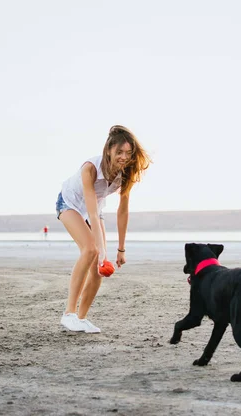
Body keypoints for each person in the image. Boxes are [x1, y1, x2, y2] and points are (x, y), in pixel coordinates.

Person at [56, 125, 151, 333]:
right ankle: (69, 314)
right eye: (119, 152)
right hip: (70, 204)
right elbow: (89, 213)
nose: (124, 157)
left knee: (99, 268)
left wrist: (121, 249)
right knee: (91, 251)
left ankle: (80, 319)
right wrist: (99, 250)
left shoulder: (127, 173)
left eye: (128, 153)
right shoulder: (90, 168)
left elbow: (122, 212)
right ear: (108, 149)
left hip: (95, 210)